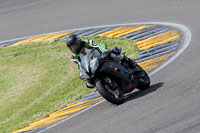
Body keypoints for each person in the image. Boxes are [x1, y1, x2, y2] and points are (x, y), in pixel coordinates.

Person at [66, 34, 138, 88]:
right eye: (71, 47)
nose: (74, 48)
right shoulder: (74, 57)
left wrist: (104, 51)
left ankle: (130, 62)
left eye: (75, 46)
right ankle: (107, 86)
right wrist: (83, 73)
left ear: (78, 42)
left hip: (102, 57)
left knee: (115, 54)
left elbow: (100, 45)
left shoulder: (87, 43)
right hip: (93, 66)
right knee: (89, 83)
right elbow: (80, 66)